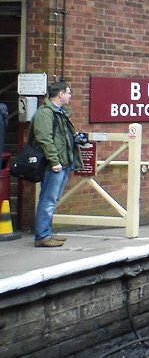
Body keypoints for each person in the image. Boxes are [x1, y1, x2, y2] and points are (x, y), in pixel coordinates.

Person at [31, 80, 82, 248]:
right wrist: (55, 161)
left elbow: (63, 138)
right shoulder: (45, 113)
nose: (69, 96)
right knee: (48, 200)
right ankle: (43, 236)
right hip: (54, 165)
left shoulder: (60, 112)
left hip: (63, 163)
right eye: (68, 93)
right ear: (60, 94)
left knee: (53, 200)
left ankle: (48, 233)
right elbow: (45, 139)